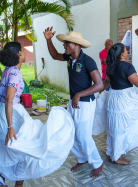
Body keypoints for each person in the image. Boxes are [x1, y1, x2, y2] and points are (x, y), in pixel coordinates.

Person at [0, 42, 75, 187]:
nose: (25, 52)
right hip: (9, 116)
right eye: (23, 49)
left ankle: (5, 183)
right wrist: (10, 126)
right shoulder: (15, 72)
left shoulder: (7, 70)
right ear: (19, 54)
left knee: (9, 153)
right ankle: (17, 184)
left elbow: (9, 99)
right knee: (29, 149)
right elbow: (9, 99)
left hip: (4, 113)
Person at [43, 27, 105, 177]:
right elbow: (54, 55)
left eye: (66, 43)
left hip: (85, 103)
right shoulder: (70, 58)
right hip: (74, 101)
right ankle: (82, 158)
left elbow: (99, 85)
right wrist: (48, 40)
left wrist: (78, 95)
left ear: (76, 45)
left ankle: (98, 162)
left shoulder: (88, 61)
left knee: (84, 136)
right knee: (71, 132)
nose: (64, 45)